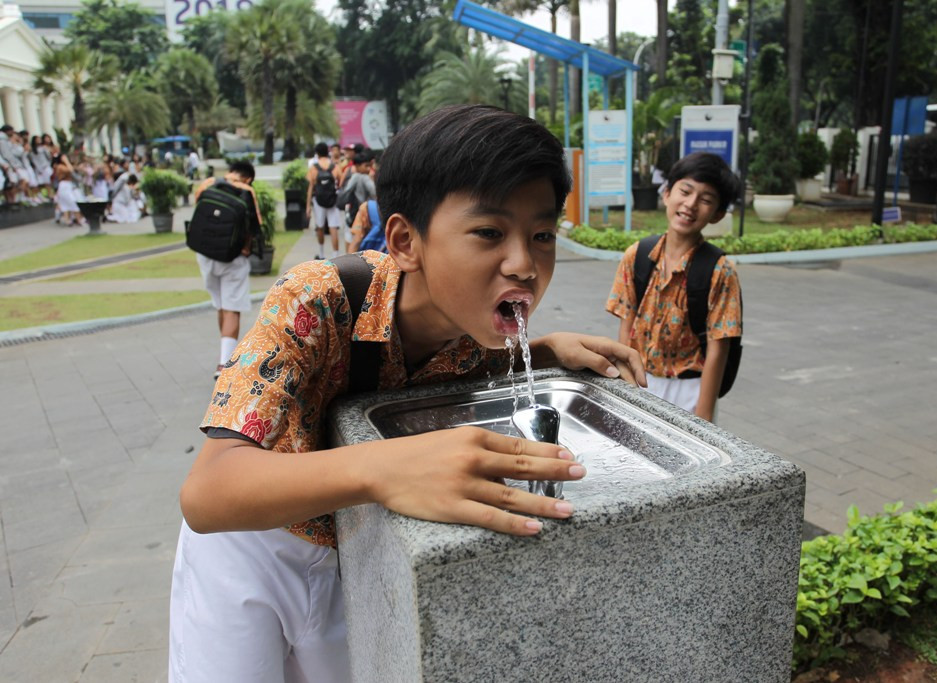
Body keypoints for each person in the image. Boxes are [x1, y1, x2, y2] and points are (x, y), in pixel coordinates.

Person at [169, 104, 646, 683]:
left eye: (541, 234)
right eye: (489, 232)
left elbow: (482, 362)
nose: (523, 264)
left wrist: (546, 350)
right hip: (252, 548)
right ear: (404, 240)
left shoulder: (469, 335)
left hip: (355, 554)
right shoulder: (317, 298)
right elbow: (208, 492)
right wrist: (385, 467)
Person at [606, 152, 743, 423]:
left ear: (716, 214)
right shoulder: (637, 256)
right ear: (667, 193)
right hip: (640, 379)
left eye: (705, 200)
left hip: (690, 388)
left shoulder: (720, 269)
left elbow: (719, 348)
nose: (691, 204)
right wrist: (624, 386)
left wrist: (704, 413)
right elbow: (627, 326)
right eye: (685, 191)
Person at [192, 160, 262, 380]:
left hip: (205, 254)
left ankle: (224, 353)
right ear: (248, 177)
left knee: (221, 304)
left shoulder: (208, 183)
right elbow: (255, 226)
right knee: (232, 307)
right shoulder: (247, 190)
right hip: (233, 257)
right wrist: (247, 248)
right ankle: (224, 363)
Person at [305, 141, 346, 259]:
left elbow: (310, 187)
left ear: (317, 154)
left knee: (320, 226)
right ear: (327, 152)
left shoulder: (314, 168)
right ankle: (336, 255)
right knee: (333, 227)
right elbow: (341, 180)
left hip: (318, 201)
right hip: (332, 200)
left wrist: (308, 206)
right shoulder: (334, 166)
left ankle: (322, 253)